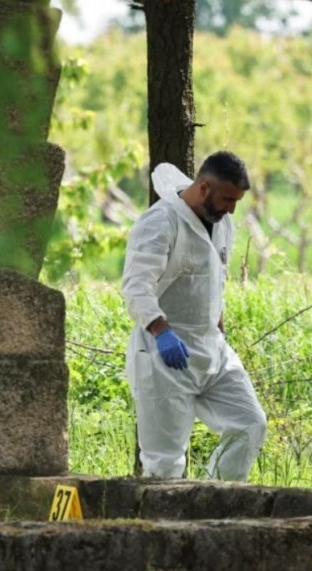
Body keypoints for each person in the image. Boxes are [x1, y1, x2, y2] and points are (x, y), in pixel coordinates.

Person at [121, 151, 267, 480]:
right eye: (228, 199)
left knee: (250, 424)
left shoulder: (222, 222)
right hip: (164, 353)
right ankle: (164, 530)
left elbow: (214, 275)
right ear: (203, 188)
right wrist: (161, 331)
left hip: (212, 349)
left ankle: (218, 502)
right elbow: (136, 285)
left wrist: (219, 324)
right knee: (165, 462)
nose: (232, 208)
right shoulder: (160, 222)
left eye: (237, 201)